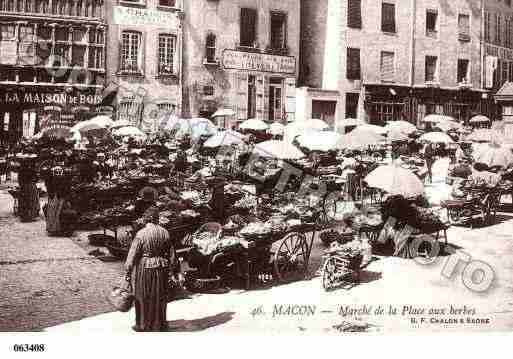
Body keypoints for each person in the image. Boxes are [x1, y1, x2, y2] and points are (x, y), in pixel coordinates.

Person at [124, 208, 182, 332]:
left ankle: (143, 324)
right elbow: (172, 254)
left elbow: (132, 255)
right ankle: (159, 324)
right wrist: (174, 271)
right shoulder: (165, 232)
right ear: (156, 219)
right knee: (159, 296)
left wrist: (127, 273)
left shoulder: (141, 234)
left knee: (143, 295)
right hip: (162, 267)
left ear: (146, 219)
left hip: (145, 267)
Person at [17, 155, 40, 222]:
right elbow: (36, 179)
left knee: (24, 201)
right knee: (31, 201)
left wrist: (21, 186)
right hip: (31, 187)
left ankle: (24, 216)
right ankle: (31, 216)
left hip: (24, 187)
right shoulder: (32, 170)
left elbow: (19, 180)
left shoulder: (21, 171)